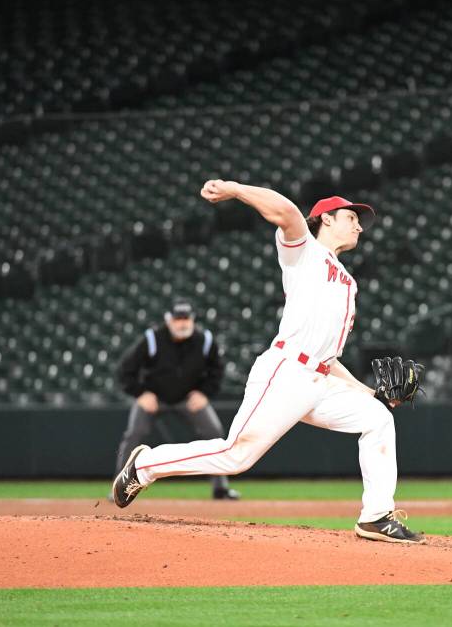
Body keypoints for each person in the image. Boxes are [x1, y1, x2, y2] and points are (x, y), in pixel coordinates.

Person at [112, 181, 423, 544]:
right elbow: (288, 213)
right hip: (286, 371)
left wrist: (371, 394)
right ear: (325, 219)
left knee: (378, 419)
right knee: (236, 456)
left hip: (320, 380)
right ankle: (145, 466)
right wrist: (233, 188)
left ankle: (375, 516)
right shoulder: (304, 252)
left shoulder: (349, 283)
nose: (358, 226)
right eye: (351, 217)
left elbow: (330, 358)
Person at [112, 298, 239, 500]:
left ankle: (220, 487)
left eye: (186, 318)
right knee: (134, 433)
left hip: (188, 398)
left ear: (192, 319)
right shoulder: (153, 338)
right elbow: (124, 370)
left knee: (214, 431)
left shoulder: (204, 340)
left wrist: (204, 392)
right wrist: (141, 393)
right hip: (154, 397)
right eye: (178, 318)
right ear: (168, 319)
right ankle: (120, 486)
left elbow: (217, 370)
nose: (182, 323)